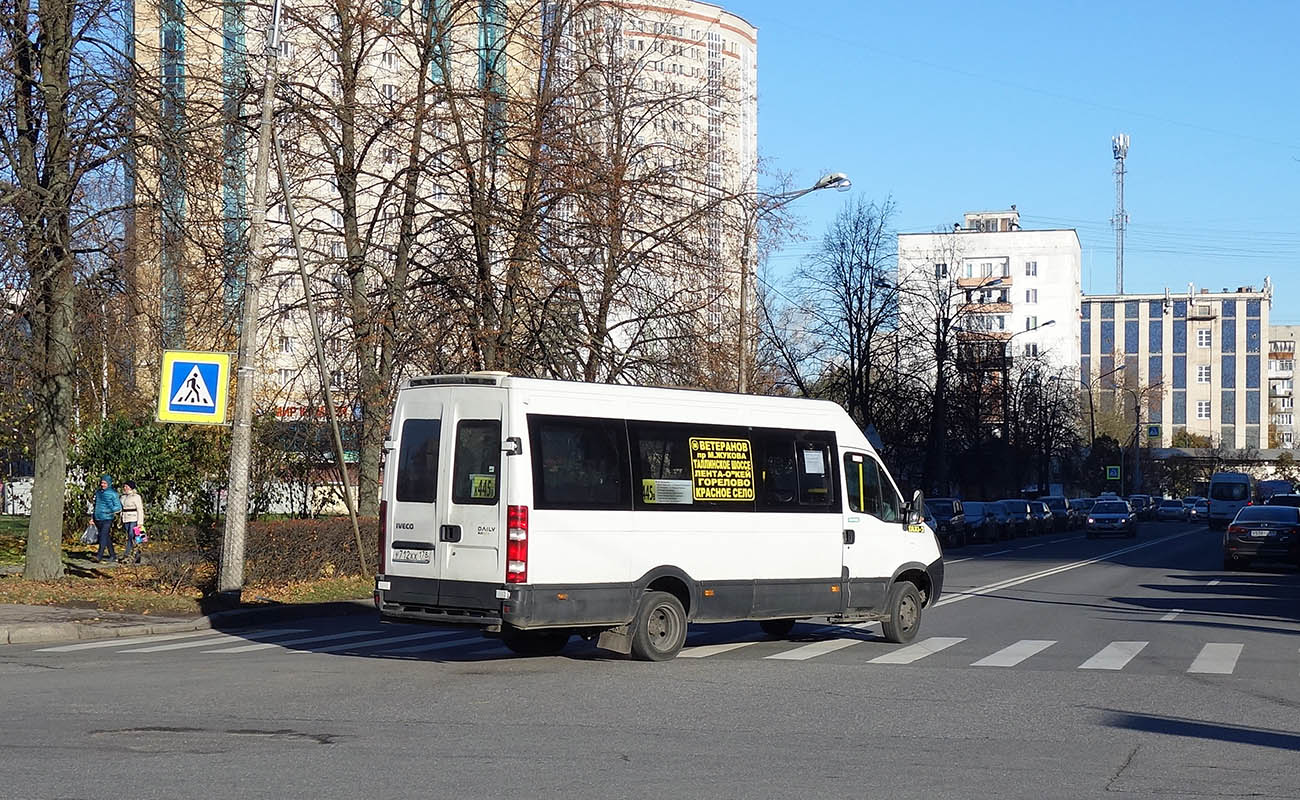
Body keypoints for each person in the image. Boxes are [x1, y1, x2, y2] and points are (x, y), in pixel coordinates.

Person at [91, 474, 122, 563]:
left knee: (102, 536)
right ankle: (112, 555)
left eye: (105, 483)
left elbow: (118, 507)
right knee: (106, 537)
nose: (103, 485)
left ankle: (99, 556)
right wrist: (92, 517)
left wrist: (109, 511)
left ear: (109, 483)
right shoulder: (98, 493)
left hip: (107, 519)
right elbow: (95, 505)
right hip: (97, 518)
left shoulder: (113, 494)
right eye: (102, 483)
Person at [119, 481, 145, 564]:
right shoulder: (122, 497)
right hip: (126, 518)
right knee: (133, 537)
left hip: (134, 518)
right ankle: (137, 554)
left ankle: (127, 554)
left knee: (132, 535)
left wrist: (140, 522)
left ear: (131, 487)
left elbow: (140, 509)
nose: (125, 488)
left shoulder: (136, 497)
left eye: (127, 486)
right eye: (124, 486)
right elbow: (121, 508)